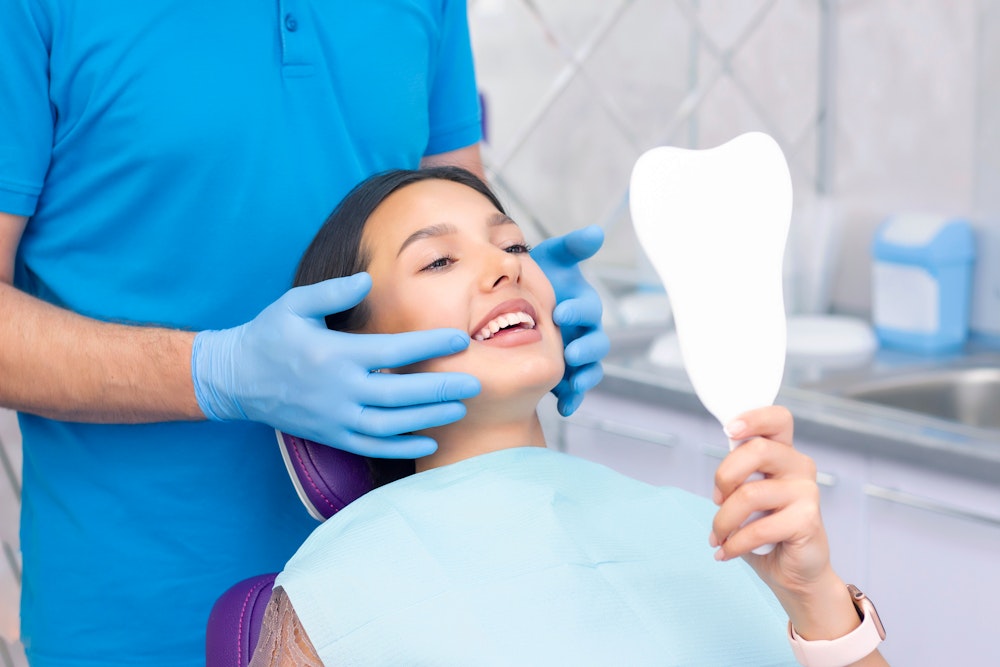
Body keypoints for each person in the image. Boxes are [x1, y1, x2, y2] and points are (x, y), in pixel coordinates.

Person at [0, 3, 607, 665]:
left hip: (412, 600)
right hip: (138, 616)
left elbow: (457, 210)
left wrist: (523, 288)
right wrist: (217, 370)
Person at [247, 166, 889, 666]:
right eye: (439, 260)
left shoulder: (719, 535)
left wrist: (819, 601)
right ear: (362, 356)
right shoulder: (337, 597)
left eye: (513, 244)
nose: (507, 266)